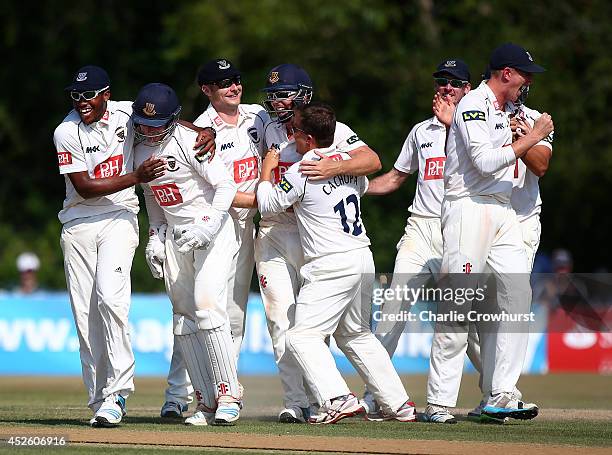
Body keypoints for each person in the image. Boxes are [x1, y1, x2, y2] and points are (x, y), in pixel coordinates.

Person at [257, 103, 416, 425]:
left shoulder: (302, 169)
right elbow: (363, 184)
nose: (293, 136)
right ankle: (398, 404)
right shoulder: (347, 163)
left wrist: (267, 167)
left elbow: (268, 205)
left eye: (297, 131)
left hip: (330, 263)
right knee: (355, 334)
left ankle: (336, 398)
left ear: (310, 139)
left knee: (301, 337)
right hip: (361, 256)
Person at [439, 42, 554, 422]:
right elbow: (486, 163)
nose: (527, 84)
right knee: (459, 303)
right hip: (468, 207)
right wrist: (532, 136)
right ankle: (439, 402)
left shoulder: (509, 111)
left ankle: (502, 393)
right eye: (524, 76)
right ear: (507, 73)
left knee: (518, 296)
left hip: (503, 209)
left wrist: (528, 135)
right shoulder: (473, 104)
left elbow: (537, 166)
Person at [54, 65, 166, 427]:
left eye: (89, 95)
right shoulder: (66, 131)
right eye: (76, 96)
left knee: (110, 297)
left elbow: (164, 116)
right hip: (77, 224)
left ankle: (117, 393)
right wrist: (136, 176)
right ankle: (99, 396)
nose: (82, 102)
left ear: (106, 93)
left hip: (119, 218)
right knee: (86, 316)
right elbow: (84, 187)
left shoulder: (126, 112)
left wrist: (204, 131)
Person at [363, 59, 474, 423]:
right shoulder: (421, 131)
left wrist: (451, 124)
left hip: (460, 232)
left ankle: (496, 394)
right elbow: (395, 178)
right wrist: (353, 188)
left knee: (463, 323)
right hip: (420, 230)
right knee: (392, 312)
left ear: (468, 90)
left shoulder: (479, 129)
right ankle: (374, 395)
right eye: (441, 82)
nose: (445, 88)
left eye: (453, 83)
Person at [159, 58, 265, 418]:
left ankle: (223, 393)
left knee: (231, 317)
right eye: (224, 84)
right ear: (207, 91)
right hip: (218, 224)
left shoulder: (258, 116)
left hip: (253, 225)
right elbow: (220, 187)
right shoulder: (202, 129)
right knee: (197, 311)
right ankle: (178, 395)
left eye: (236, 79)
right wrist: (269, 199)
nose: (234, 87)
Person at [133, 82, 242, 426]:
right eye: (143, 124)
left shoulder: (189, 139)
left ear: (174, 119)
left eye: (157, 124)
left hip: (213, 230)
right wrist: (154, 235)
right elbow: (153, 195)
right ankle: (205, 402)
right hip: (176, 236)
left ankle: (229, 395)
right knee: (183, 317)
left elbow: (226, 186)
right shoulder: (136, 147)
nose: (149, 131)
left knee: (208, 308)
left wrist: (207, 226)